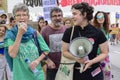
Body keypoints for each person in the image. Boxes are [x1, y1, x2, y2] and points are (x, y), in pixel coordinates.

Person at [62, 2, 108, 80]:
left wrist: (92, 61)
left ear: (84, 14)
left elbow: (104, 53)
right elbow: (64, 52)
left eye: (75, 14)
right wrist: (75, 58)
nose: (72, 17)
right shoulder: (69, 32)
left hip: (94, 72)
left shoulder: (97, 32)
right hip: (76, 73)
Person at [4, 3, 50, 80]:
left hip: (37, 75)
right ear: (15, 18)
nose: (21, 17)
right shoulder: (11, 34)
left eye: (24, 15)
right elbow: (12, 54)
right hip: (20, 76)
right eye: (18, 15)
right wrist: (19, 34)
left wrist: (37, 61)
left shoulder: (34, 33)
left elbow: (46, 50)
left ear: (28, 17)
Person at [40, 7, 66, 80]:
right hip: (51, 67)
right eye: (55, 16)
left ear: (62, 17)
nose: (57, 18)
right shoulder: (44, 31)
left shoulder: (66, 29)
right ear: (51, 18)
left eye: (59, 15)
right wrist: (47, 60)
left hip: (65, 66)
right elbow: (40, 49)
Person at [93, 11, 112, 80]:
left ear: (105, 18)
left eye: (102, 17)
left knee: (107, 73)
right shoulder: (94, 29)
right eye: (98, 17)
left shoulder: (106, 29)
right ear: (96, 19)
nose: (100, 18)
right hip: (96, 55)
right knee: (96, 74)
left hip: (105, 56)